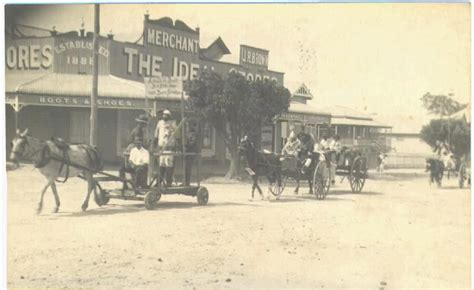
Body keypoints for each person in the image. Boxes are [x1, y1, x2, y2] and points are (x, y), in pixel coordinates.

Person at [119, 114, 149, 190]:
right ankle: (137, 184)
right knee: (133, 166)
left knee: (125, 167)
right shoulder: (139, 131)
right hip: (133, 147)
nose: (145, 125)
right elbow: (138, 141)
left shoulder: (138, 129)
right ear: (142, 123)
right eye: (144, 123)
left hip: (131, 147)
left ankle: (127, 183)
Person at [154, 109, 177, 187]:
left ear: (169, 116)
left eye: (166, 115)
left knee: (169, 166)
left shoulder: (173, 124)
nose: (164, 117)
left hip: (169, 148)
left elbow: (176, 136)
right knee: (161, 166)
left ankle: (168, 183)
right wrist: (154, 147)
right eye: (163, 115)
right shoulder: (160, 123)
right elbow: (156, 136)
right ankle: (159, 182)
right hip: (161, 148)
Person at [182, 120, 200, 186]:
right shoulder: (187, 133)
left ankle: (187, 182)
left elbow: (192, 143)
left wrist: (186, 146)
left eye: (188, 126)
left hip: (190, 153)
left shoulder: (193, 134)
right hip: (187, 153)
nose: (187, 128)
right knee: (185, 168)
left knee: (188, 168)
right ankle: (185, 182)